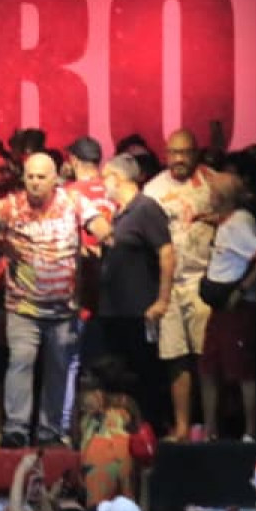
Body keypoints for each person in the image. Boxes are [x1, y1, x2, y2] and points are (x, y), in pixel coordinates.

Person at [0, 151, 100, 448]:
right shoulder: (12, 204)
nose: (35, 183)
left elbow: (98, 223)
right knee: (21, 362)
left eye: (41, 177)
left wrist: (106, 234)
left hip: (63, 307)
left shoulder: (73, 201)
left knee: (58, 368)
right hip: (23, 305)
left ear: (54, 179)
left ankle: (51, 431)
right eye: (30, 177)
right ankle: (16, 429)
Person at [88, 154, 173, 431]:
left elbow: (167, 252)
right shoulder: (121, 213)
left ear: (117, 178)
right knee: (116, 374)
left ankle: (151, 430)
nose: (103, 185)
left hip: (137, 309)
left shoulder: (146, 208)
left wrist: (162, 299)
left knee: (143, 373)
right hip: (115, 310)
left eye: (105, 179)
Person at [146, 128, 220, 442]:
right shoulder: (153, 190)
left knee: (206, 360)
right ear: (165, 154)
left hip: (204, 281)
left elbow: (238, 213)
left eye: (185, 152)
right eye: (173, 152)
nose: (179, 159)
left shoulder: (213, 182)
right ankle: (181, 428)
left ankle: (211, 427)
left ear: (196, 153)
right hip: (170, 286)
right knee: (176, 358)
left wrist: (214, 218)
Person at [198, 168, 256, 440]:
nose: (209, 196)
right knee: (208, 366)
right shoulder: (230, 221)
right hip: (220, 309)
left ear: (222, 197)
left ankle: (250, 431)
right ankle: (210, 429)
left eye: (213, 192)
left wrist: (241, 289)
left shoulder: (239, 225)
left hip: (236, 308)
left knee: (242, 370)